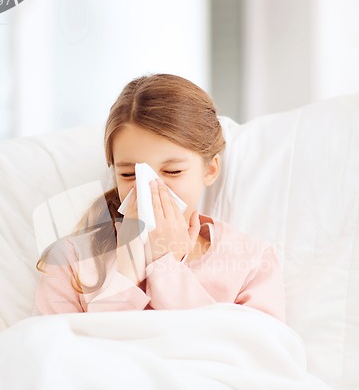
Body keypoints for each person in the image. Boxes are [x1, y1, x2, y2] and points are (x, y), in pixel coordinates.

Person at [35, 73, 286, 322]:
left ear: (210, 170)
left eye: (173, 171)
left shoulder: (250, 261)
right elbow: (62, 354)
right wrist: (126, 269)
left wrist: (166, 265)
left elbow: (254, 354)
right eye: (129, 174)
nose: (150, 188)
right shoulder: (70, 261)